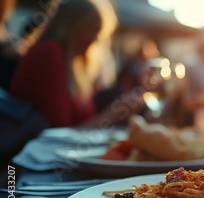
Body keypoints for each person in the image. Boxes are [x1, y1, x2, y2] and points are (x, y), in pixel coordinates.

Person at [9, 0, 141, 128]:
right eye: (91, 30)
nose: (95, 39)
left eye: (99, 33)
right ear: (72, 26)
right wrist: (112, 115)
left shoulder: (74, 64)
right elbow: (60, 132)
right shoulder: (50, 52)